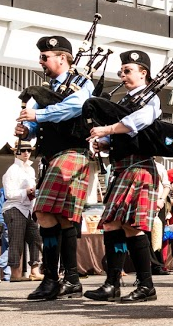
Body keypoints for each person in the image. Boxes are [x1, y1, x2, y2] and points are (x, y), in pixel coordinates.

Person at [17, 35, 94, 301]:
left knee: (44, 212)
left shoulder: (82, 83)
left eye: (45, 57)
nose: (42, 62)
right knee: (61, 218)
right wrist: (26, 127)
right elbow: (35, 124)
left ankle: (50, 279)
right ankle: (71, 280)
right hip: (52, 155)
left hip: (73, 152)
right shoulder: (43, 91)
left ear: (62, 57)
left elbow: (75, 108)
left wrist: (37, 115)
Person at [83, 50, 162, 302]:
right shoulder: (126, 101)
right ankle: (112, 283)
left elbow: (139, 121)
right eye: (122, 71)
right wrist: (104, 143)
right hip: (122, 167)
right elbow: (121, 131)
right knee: (111, 224)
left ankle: (146, 285)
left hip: (139, 166)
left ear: (143, 73)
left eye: (128, 70)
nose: (123, 75)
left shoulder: (150, 98)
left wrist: (107, 128)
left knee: (132, 226)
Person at [2, 141, 43, 282]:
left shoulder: (30, 170)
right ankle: (15, 274)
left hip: (28, 208)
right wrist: (27, 191)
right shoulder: (12, 170)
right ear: (16, 152)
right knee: (17, 241)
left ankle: (34, 271)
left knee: (36, 239)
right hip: (14, 208)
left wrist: (32, 193)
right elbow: (9, 194)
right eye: (23, 150)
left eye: (29, 150)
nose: (26, 153)